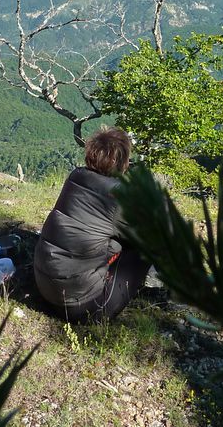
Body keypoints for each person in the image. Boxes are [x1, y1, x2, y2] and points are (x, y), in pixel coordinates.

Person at [33, 126, 151, 322]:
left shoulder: (76, 177)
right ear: (119, 161)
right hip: (82, 307)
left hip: (44, 289)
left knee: (112, 238)